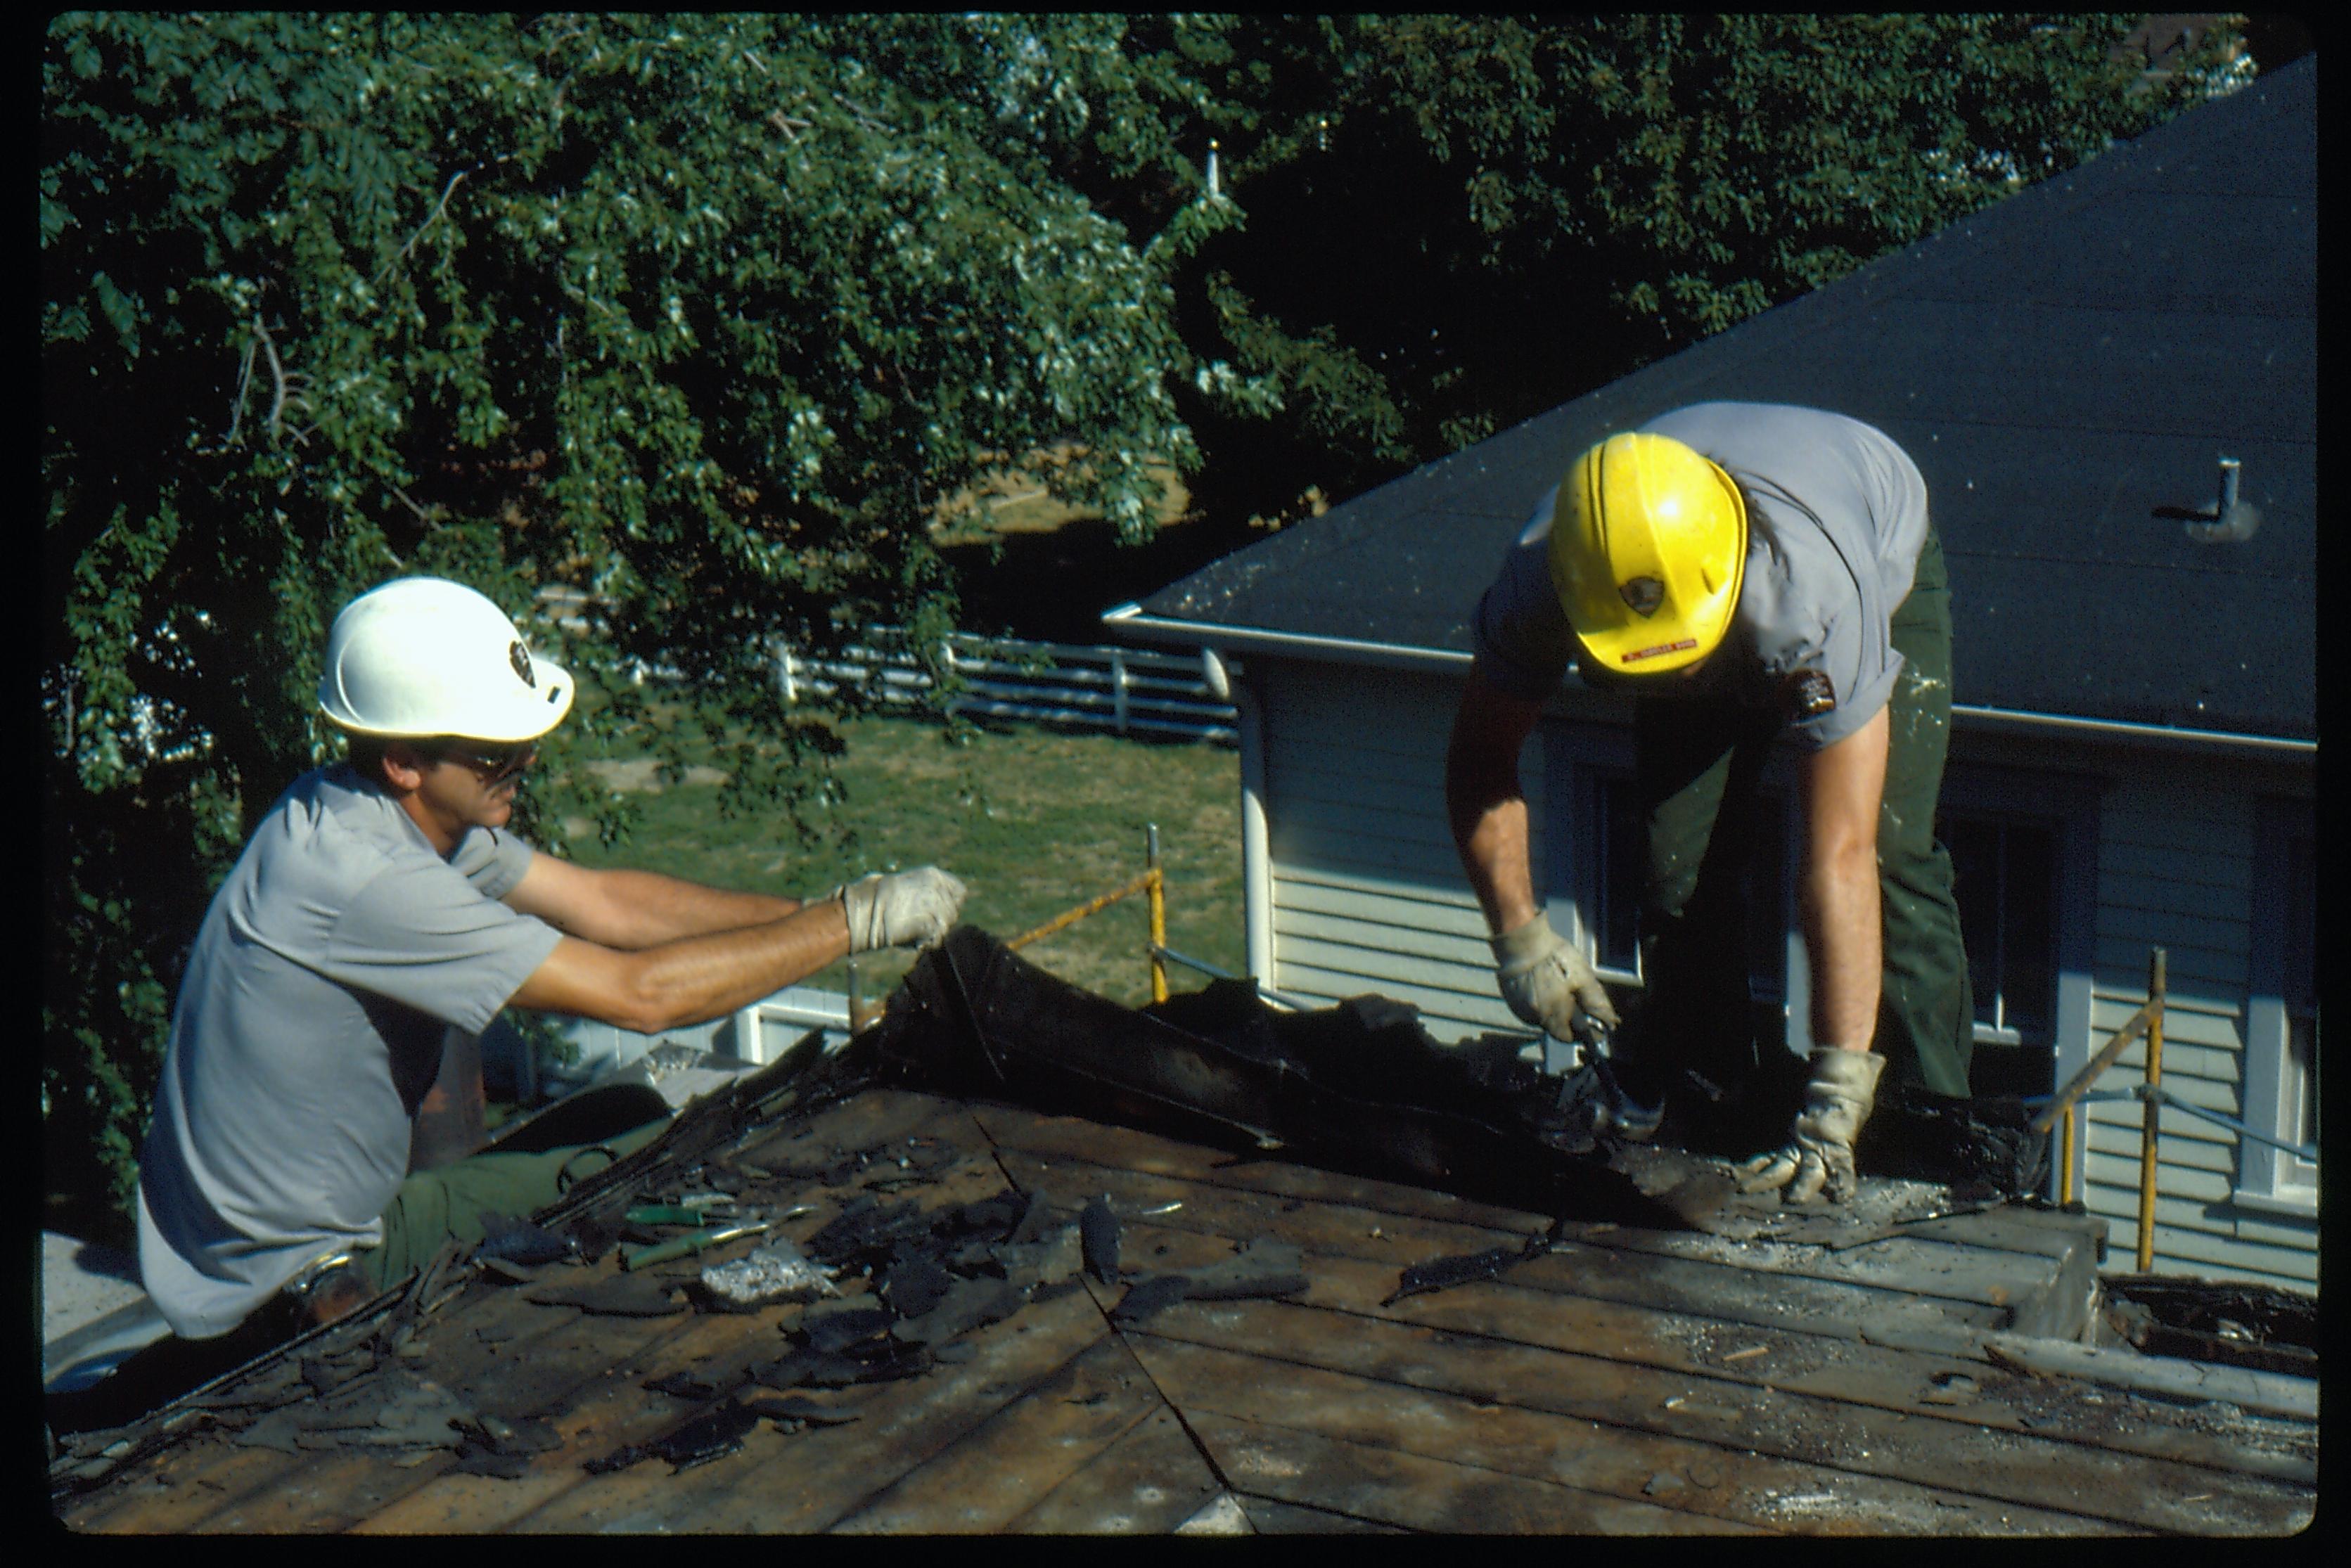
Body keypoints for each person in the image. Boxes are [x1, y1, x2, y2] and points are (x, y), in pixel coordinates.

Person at [134, 577, 968, 1347]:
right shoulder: (367, 881)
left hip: (247, 1246)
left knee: (627, 1106)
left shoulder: (365, 810)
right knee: (639, 1147)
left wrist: (825, 914)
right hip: (285, 1279)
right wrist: (850, 925)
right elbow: (639, 998)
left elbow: (605, 904)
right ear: (404, 761)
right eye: (497, 751)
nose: (525, 764)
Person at [1444, 403, 1973, 1205]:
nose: (1683, 686)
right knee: (1678, 874)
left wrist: (1833, 1099)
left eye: (1687, 665)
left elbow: (1839, 856)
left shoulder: (1815, 596)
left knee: (1893, 865)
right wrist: (1520, 939)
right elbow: (1481, 761)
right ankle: (1721, 1107)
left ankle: (1937, 1147)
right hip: (1694, 599)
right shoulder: (1544, 576)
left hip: (1860, 541)